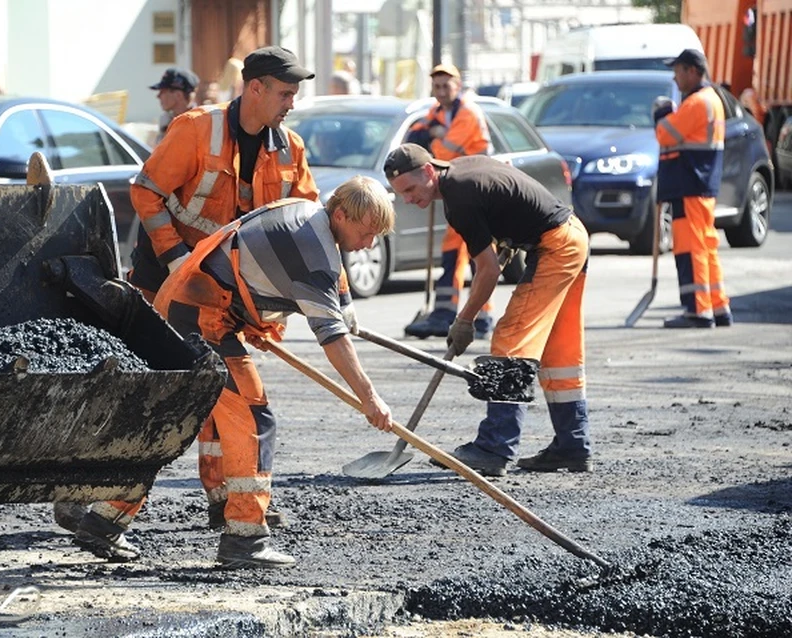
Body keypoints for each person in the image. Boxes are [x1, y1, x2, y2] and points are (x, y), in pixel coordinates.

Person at [61, 45, 319, 562]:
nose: (292, 103)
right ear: (255, 89)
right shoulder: (197, 129)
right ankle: (242, 530)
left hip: (219, 298)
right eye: (286, 93)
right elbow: (146, 191)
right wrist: (177, 256)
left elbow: (299, 226)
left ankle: (142, 510)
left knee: (191, 404)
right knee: (232, 403)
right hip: (169, 290)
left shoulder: (288, 149)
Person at [152, 176, 395, 568]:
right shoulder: (312, 254)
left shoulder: (311, 216)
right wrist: (370, 398)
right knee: (252, 417)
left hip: (199, 305)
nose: (368, 245)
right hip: (200, 316)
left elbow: (336, 292)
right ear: (341, 214)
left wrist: (346, 316)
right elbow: (332, 338)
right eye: (366, 234)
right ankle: (244, 539)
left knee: (208, 418)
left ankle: (110, 518)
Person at [385, 143, 591, 478]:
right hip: (573, 236)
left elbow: (488, 271)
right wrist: (507, 236)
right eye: (401, 194)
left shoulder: (459, 198)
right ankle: (573, 444)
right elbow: (504, 198)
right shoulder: (462, 171)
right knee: (557, 351)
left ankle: (495, 447)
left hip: (556, 245)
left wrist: (464, 320)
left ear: (427, 171)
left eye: (410, 189)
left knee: (511, 340)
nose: (409, 199)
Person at [402, 63, 497, 341]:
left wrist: (433, 137)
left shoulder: (467, 113)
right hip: (458, 186)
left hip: (476, 185)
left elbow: (443, 151)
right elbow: (417, 136)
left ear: (457, 86)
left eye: (446, 85)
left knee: (477, 250)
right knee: (457, 248)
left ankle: (475, 315)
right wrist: (428, 134)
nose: (441, 91)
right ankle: (451, 311)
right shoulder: (437, 113)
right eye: (437, 86)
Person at [655, 49, 731, 329]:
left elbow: (665, 134)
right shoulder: (712, 100)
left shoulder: (697, 103)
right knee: (706, 246)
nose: (675, 79)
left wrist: (661, 113)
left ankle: (698, 310)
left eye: (678, 71)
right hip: (701, 184)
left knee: (691, 248)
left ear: (692, 71)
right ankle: (718, 306)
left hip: (690, 184)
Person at [150, 66, 199, 146]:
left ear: (178, 95)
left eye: (163, 91)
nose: (158, 96)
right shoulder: (165, 120)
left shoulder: (200, 121)